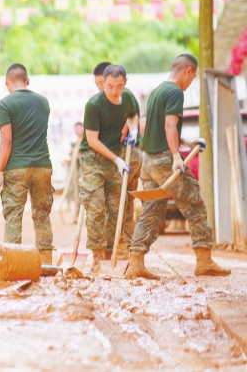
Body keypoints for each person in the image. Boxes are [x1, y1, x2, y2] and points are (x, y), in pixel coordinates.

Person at [126, 54, 230, 279]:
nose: (190, 83)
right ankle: (204, 261)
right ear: (188, 71)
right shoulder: (175, 92)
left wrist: (187, 143)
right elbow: (169, 125)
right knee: (196, 204)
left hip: (149, 161)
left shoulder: (156, 92)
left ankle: (135, 262)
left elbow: (157, 130)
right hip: (165, 161)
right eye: (192, 79)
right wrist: (176, 156)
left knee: (151, 212)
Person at [0, 64, 54, 264]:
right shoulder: (43, 102)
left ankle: (13, 262)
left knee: (13, 217)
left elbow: (6, 141)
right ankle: (45, 261)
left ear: (7, 83)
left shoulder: (4, 104)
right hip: (42, 166)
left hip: (16, 168)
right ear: (27, 81)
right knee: (42, 214)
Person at [79, 64, 139, 273]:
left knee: (116, 209)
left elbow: (132, 115)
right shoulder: (94, 105)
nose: (114, 91)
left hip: (114, 156)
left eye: (119, 86)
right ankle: (96, 259)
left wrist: (134, 130)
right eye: (110, 86)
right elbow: (92, 140)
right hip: (92, 158)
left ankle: (109, 252)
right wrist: (117, 159)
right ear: (103, 83)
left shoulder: (128, 98)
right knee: (96, 207)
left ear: (125, 83)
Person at [93, 61, 141, 260]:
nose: (103, 88)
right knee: (115, 203)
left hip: (126, 155)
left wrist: (132, 132)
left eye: (104, 83)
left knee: (121, 203)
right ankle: (113, 247)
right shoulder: (98, 101)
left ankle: (121, 248)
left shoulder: (125, 97)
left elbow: (129, 123)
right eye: (100, 84)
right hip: (112, 156)